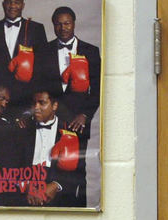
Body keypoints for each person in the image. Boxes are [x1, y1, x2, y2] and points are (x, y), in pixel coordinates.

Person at [36, 5, 100, 206]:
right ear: (53, 26)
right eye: (58, 24)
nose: (63, 28)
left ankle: (79, 211)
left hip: (77, 122)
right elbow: (37, 87)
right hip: (52, 121)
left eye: (67, 23)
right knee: (51, 168)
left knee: (77, 170)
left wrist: (85, 115)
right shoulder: (43, 50)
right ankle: (54, 210)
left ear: (74, 24)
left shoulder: (90, 51)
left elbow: (99, 89)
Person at [21, 86, 83, 206]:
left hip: (58, 198)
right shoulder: (22, 129)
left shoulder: (70, 132)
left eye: (42, 103)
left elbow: (79, 171)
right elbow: (8, 164)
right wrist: (26, 185)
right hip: (24, 194)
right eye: (34, 103)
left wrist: (56, 185)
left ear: (54, 106)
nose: (36, 108)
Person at [0, 0, 47, 107]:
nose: (12, 6)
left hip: (26, 97)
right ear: (3, 4)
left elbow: (42, 66)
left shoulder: (36, 29)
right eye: (9, 2)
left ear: (23, 5)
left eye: (17, 2)